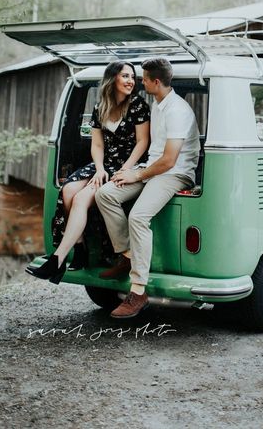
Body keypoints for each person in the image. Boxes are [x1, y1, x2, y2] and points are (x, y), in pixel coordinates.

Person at [26, 61, 150, 284]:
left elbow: (143, 142)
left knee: (82, 197)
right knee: (68, 191)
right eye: (125, 76)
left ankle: (57, 260)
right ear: (112, 79)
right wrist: (100, 169)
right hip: (105, 163)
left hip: (129, 164)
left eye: (132, 76)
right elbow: (97, 145)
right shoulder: (100, 106)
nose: (131, 80)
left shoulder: (138, 105)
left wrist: (125, 168)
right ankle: (80, 249)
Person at [95, 57, 200, 319]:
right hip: (152, 168)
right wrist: (133, 172)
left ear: (155, 81)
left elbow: (169, 160)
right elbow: (154, 153)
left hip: (175, 173)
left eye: (143, 78)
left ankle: (139, 290)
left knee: (139, 217)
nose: (140, 82)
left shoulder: (178, 110)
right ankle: (128, 254)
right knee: (105, 194)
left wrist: (136, 174)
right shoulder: (157, 103)